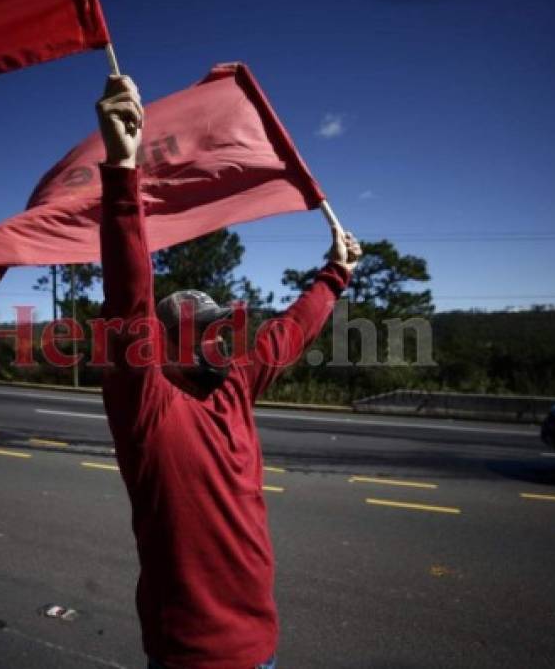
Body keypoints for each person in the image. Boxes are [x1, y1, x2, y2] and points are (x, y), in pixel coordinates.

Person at [97, 74, 362, 669]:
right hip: (193, 658)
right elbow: (128, 301)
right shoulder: (149, 411)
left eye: (220, 329)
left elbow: (292, 331)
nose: (218, 339)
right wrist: (122, 169)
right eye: (201, 332)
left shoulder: (236, 385)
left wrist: (336, 272)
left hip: (262, 649)